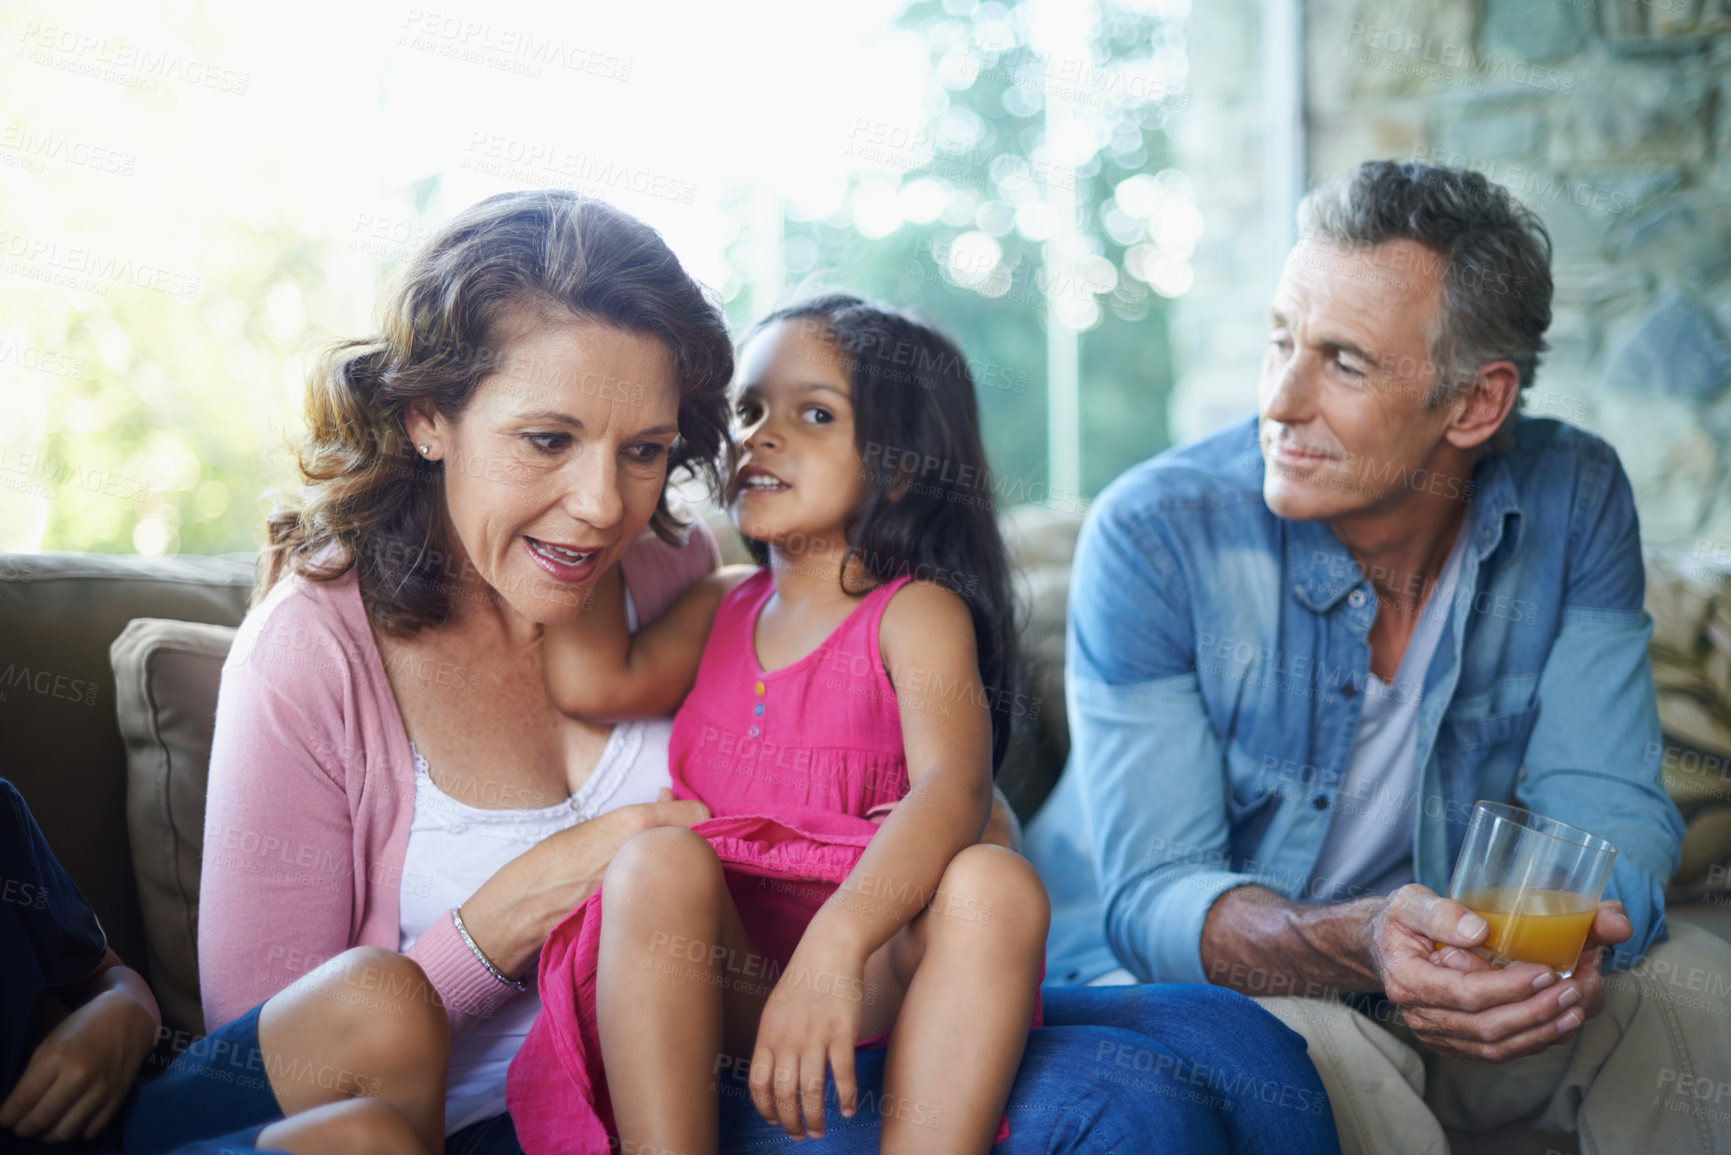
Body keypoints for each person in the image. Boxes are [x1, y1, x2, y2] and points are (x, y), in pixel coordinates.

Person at [198, 187, 1339, 1155]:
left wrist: (954, 830)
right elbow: (265, 1064)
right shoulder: (314, 653)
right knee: (1132, 1114)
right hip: (520, 1113)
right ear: (429, 416)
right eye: (547, 440)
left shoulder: (667, 564)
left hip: (788, 1022)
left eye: (646, 451)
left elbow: (866, 734)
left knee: (1233, 1059)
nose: (603, 504)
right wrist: (512, 914)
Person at [1025, 158, 1731, 1154]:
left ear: (1476, 406)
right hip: (1206, 979)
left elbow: (1608, 810)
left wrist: (1573, 944)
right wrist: (1361, 940)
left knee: (1691, 1001)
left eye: (1343, 362)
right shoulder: (1157, 533)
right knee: (1318, 1061)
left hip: (1455, 956)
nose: (1280, 399)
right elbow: (1156, 899)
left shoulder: (1574, 494)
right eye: (1281, 341)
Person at [521, 296, 1046, 1154]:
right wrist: (602, 495)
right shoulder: (723, 603)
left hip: (872, 961)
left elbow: (953, 788)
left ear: (902, 465)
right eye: (750, 409)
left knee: (996, 886)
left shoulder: (915, 614)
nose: (762, 435)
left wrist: (835, 946)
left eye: (813, 414)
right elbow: (589, 677)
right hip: (726, 973)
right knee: (653, 861)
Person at [0, 779, 443, 1155]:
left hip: (107, 1119)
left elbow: (99, 973)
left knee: (386, 995)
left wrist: (123, 1007)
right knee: (363, 1139)